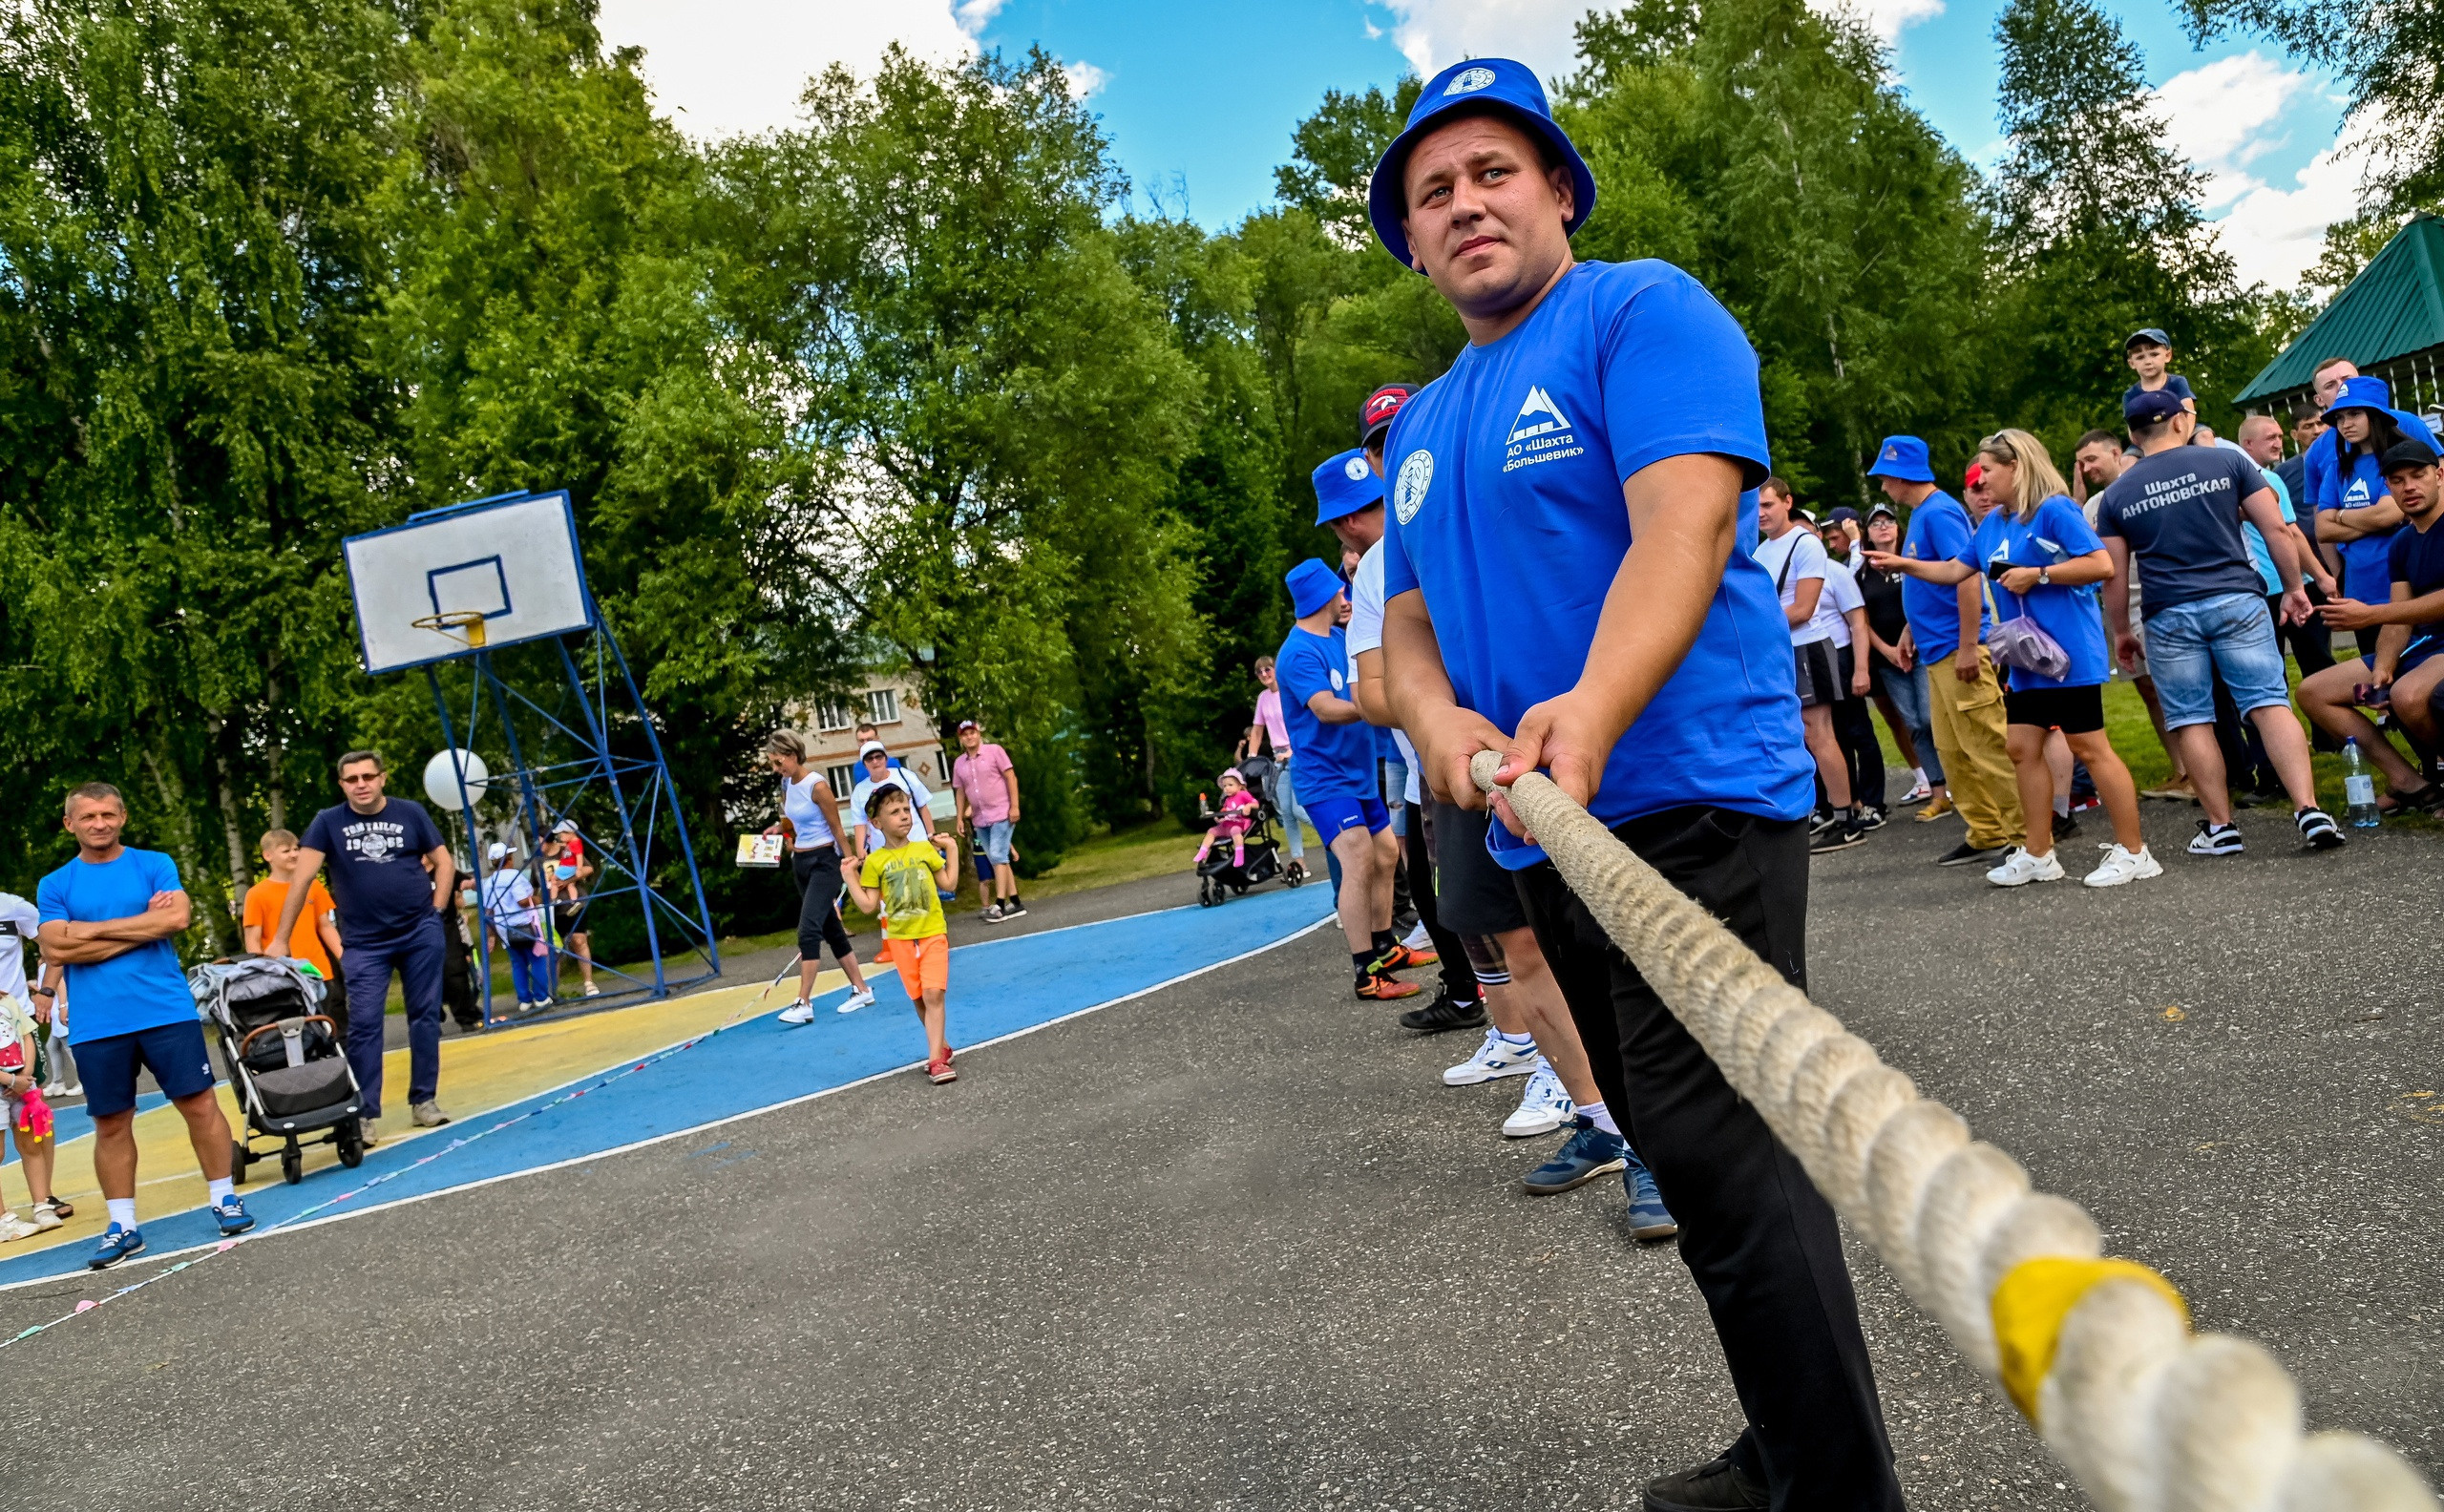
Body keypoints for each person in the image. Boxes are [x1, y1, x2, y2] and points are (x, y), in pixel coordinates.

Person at [1369, 58, 1900, 1510]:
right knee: (1687, 1140)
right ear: (1412, 241)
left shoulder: (1640, 311)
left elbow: (1685, 523)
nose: (1466, 204)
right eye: (1434, 192)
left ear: (1555, 191)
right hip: (1548, 824)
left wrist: (1588, 712)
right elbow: (1403, 630)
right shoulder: (1422, 427)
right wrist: (1436, 721)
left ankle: (1834, 1490)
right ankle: (1797, 1449)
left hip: (1687, 799)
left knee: (1725, 1158)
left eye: (1493, 173)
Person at [1871, 431, 2157, 886]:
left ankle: (2135, 851)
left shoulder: (2055, 510)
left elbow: (2102, 564)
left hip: (2068, 653)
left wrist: (2039, 575)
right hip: (2027, 658)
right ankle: (2039, 853)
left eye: (1988, 470)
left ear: (2017, 467)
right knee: (2021, 749)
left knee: (2090, 747)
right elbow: (1954, 570)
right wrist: (1904, 565)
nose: (1980, 481)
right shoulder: (1993, 523)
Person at [2094, 389, 2344, 854]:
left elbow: (2114, 573)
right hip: (2237, 599)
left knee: (2191, 719)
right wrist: (2294, 588)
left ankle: (2220, 827)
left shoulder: (2117, 494)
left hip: (2168, 611)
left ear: (2132, 435)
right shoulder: (2227, 463)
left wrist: (2123, 633)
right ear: (2178, 423)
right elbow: (2276, 528)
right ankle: (2309, 810)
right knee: (2268, 702)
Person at [37, 783, 253, 1267]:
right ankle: (123, 1225)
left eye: (109, 814)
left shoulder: (153, 864)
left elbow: (176, 919)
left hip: (164, 1011)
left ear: (123, 817)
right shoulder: (55, 884)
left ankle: (224, 1198)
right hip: (97, 1023)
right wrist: (140, 927)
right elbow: (53, 948)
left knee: (199, 1105)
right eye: (89, 816)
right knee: (111, 1123)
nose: (100, 823)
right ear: (70, 824)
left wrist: (87, 932)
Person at [270, 749, 456, 1137]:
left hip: (419, 931)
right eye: (352, 779)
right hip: (364, 943)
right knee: (365, 1024)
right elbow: (301, 880)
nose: (361, 785)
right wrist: (280, 940)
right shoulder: (328, 822)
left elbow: (444, 861)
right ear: (342, 785)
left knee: (424, 1016)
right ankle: (364, 1112)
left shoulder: (410, 813)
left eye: (368, 777)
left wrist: (436, 912)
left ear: (382, 778)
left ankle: (423, 1100)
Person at [1869, 437, 2024, 866]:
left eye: (1885, 478)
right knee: (1953, 750)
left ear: (1902, 476)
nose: (1884, 488)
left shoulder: (1938, 512)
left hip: (1958, 649)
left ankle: (2025, 834)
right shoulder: (1924, 514)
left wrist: (1969, 646)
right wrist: (1909, 630)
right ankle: (1988, 830)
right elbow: (1928, 583)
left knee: (1986, 745)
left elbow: (1967, 577)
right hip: (1935, 649)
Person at [1279, 553, 1419, 1003]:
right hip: (1324, 780)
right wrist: (1378, 705)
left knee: (1384, 855)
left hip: (1356, 776)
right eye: (1338, 591)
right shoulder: (1297, 652)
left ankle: (1385, 949)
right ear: (1320, 597)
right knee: (1358, 859)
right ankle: (1365, 971)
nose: (1345, 596)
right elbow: (1324, 708)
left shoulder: (1339, 639)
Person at [2299, 438, 2444, 808]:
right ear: (2388, 488)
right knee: (2314, 693)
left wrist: (2369, 614)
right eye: (2396, 480)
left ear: (2439, 474)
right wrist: (2381, 668)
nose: (2409, 487)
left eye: (2418, 475)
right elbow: (2400, 617)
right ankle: (2409, 783)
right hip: (2423, 649)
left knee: (2407, 696)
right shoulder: (2402, 543)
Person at [1755, 479, 1868, 850]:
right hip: (1780, 649)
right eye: (1756, 506)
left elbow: (1804, 610)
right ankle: (1824, 808)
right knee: (1800, 735)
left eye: (1768, 504)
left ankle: (1847, 817)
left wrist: (1754, 626)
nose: (1761, 513)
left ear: (1788, 502)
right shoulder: (1762, 551)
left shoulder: (1806, 544)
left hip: (1808, 647)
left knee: (1819, 733)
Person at [844, 787, 959, 1084]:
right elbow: (869, 905)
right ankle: (942, 1047)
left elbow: (949, 882)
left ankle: (936, 1061)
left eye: (906, 810)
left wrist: (953, 850)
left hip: (933, 932)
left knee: (934, 994)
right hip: (900, 940)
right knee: (920, 999)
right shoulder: (875, 862)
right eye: (895, 812)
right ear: (877, 823)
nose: (904, 816)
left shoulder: (924, 850)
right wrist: (849, 878)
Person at [763, 730, 879, 1022]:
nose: (776, 769)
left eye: (779, 762)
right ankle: (862, 989)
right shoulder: (786, 783)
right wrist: (780, 830)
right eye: (773, 764)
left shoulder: (818, 786)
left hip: (825, 862)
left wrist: (850, 861)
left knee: (808, 930)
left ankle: (803, 1002)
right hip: (800, 861)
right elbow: (791, 821)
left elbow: (838, 829)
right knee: (831, 930)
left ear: (792, 755)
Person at [2315, 376, 2415, 660]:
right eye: (2340, 416)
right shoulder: (2337, 468)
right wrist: (2373, 520)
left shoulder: (2400, 458)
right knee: (2378, 686)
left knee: (2411, 681)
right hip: (2359, 592)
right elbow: (2323, 529)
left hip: (2402, 589)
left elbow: (2390, 513)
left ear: (2376, 414)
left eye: (2355, 413)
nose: (2346, 423)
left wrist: (2342, 515)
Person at [1855, 503, 1944, 812]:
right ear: (1866, 533)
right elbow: (1860, 622)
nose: (1882, 527)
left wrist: (1914, 636)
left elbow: (1930, 600)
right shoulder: (1861, 575)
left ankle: (1955, 781)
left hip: (1923, 651)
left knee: (1932, 719)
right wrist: (1888, 651)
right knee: (1914, 724)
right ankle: (1937, 791)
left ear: (1898, 527)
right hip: (1889, 661)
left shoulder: (1914, 563)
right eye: (1875, 523)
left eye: (1888, 521)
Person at [2238, 412, 2337, 684]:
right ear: (2247, 444)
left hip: (2282, 585)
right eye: (2270, 438)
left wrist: (2318, 577)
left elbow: (2292, 532)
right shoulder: (2250, 480)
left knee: (2306, 667)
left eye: (2280, 437)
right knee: (2289, 669)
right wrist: (2320, 576)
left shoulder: (2264, 479)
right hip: (2273, 587)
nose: (2278, 443)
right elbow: (2288, 532)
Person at [242, 829, 345, 1028]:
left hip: (320, 972)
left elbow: (325, 926)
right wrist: (263, 974)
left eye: (296, 849)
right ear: (268, 856)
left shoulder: (313, 885)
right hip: (283, 979)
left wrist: (345, 957)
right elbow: (252, 941)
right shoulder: (256, 894)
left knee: (336, 1030)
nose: (294, 854)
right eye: (286, 850)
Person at [0, 902, 60, 1238]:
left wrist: (48, 990)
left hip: (17, 1038)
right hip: (7, 1073)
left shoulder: (13, 907)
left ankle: (44, 1201)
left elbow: (56, 944)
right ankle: (4, 1218)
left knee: (33, 1126)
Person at [1236, 656, 1309, 880]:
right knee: (1285, 812)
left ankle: (1337, 838)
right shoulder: (1263, 699)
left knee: (1299, 809)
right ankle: (1299, 862)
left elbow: (1305, 723)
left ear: (1276, 669)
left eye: (1268, 669)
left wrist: (1294, 750)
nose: (1264, 675)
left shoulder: (1290, 691)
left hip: (1297, 753)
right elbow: (1257, 731)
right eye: (1259, 672)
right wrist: (1251, 759)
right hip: (1278, 759)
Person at [950, 720, 1025, 921]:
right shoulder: (960, 763)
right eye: (965, 734)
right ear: (961, 738)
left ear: (978, 733)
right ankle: (1015, 901)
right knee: (997, 859)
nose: (969, 737)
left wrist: (1015, 806)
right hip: (979, 817)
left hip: (1001, 812)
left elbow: (1010, 777)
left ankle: (999, 904)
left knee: (998, 854)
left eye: (972, 732)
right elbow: (960, 791)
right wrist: (959, 817)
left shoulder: (994, 751)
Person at [477, 843, 553, 1011]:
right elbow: (522, 901)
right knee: (538, 958)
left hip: (503, 927)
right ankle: (541, 997)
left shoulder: (489, 882)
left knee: (518, 963)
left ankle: (524, 1000)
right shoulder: (515, 876)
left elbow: (488, 909)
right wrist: (537, 899)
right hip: (522, 923)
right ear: (508, 859)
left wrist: (491, 935)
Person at [534, 830, 600, 1000]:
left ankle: (589, 983)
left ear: (547, 840)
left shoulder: (567, 850)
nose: (536, 846)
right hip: (551, 911)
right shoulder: (536, 861)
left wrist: (567, 881)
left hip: (573, 905)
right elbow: (534, 887)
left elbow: (587, 868)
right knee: (553, 950)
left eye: (539, 841)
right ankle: (553, 991)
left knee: (579, 940)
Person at [846, 740, 937, 855]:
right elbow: (859, 823)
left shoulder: (904, 776)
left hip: (917, 842)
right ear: (864, 764)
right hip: (882, 852)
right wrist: (860, 852)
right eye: (870, 759)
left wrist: (931, 835)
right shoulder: (859, 790)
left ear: (886, 759)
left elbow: (922, 807)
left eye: (879, 757)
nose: (875, 761)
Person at [2123, 327, 2197, 420]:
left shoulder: (2177, 383)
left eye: (2154, 354)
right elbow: (2132, 426)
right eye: (2140, 357)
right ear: (2132, 363)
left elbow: (2190, 414)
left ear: (2167, 355)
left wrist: (2185, 434)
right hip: (2151, 432)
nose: (2148, 361)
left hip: (2182, 429)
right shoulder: (2130, 395)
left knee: (2205, 434)